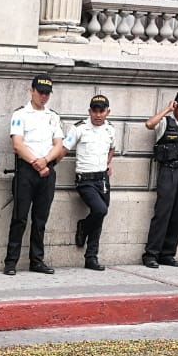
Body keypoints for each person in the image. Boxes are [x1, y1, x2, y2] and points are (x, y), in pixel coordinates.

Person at [3, 74, 64, 275]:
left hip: (47, 169)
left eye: (47, 93)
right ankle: (11, 262)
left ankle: (37, 260)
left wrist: (45, 161)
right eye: (40, 92)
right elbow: (17, 144)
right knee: (19, 217)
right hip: (26, 170)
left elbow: (59, 145)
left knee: (40, 219)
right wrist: (36, 163)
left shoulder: (53, 116)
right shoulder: (21, 114)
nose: (43, 96)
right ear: (32, 91)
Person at [60, 94, 117, 272]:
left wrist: (108, 163)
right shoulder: (79, 128)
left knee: (99, 217)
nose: (98, 115)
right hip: (85, 179)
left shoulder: (110, 130)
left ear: (108, 112)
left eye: (102, 111)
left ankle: (91, 257)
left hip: (102, 179)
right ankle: (83, 225)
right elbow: (64, 148)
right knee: (100, 210)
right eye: (95, 111)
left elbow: (112, 148)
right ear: (89, 111)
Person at [142, 90, 178, 269]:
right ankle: (151, 254)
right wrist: (166, 109)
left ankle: (167, 253)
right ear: (175, 105)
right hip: (168, 172)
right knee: (162, 213)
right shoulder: (165, 121)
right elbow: (149, 124)